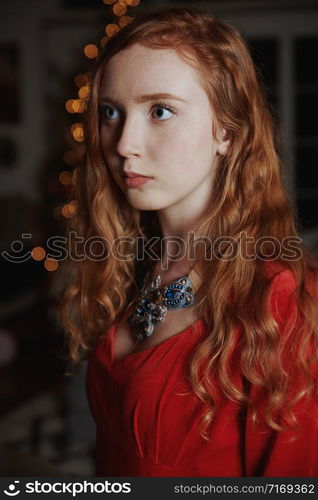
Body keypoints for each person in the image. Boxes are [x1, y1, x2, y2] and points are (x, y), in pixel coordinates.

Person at [60, 7, 318, 477]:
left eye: (160, 110)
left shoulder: (280, 297)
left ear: (225, 130)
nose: (122, 143)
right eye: (111, 112)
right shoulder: (130, 264)